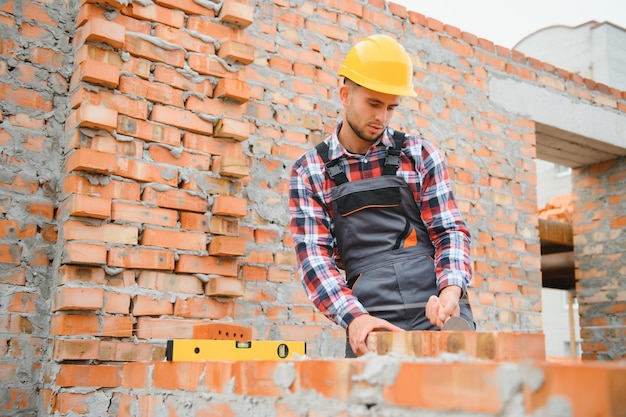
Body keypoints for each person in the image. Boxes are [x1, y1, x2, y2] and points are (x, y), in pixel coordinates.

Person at [288, 34, 475, 357]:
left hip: (437, 310)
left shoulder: (419, 155)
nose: (382, 118)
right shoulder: (310, 171)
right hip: (371, 318)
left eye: (391, 107)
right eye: (374, 104)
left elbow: (449, 232)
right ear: (345, 94)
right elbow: (315, 260)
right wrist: (356, 318)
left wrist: (451, 291)